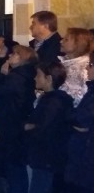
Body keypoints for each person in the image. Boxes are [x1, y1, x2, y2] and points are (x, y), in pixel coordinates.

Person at [0, 45, 38, 193]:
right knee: (15, 167)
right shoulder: (26, 75)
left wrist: (2, 74)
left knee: (13, 168)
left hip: (9, 126)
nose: (10, 55)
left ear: (22, 59)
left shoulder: (15, 78)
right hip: (16, 125)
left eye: (15, 54)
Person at [25, 61, 73, 193]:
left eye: (38, 75)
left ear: (49, 79)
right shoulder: (49, 98)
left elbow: (43, 128)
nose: (35, 78)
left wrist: (29, 128)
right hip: (45, 158)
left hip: (46, 158)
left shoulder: (54, 102)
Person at [65, 51, 94, 193]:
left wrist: (73, 119)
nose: (87, 69)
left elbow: (82, 119)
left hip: (87, 153)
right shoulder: (91, 89)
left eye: (90, 65)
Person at [58, 27, 92, 107]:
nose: (61, 41)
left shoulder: (83, 67)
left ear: (78, 44)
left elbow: (79, 97)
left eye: (66, 40)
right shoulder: (66, 62)